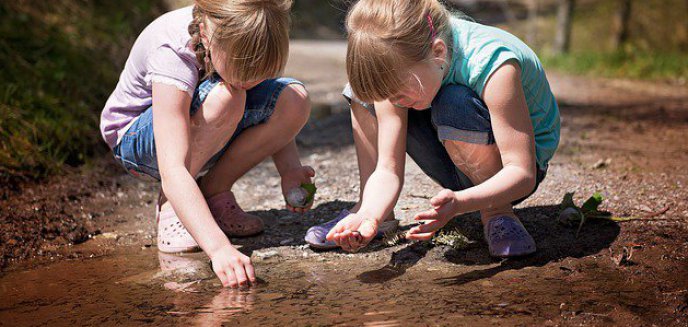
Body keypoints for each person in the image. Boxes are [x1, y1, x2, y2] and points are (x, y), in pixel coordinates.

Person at [306, 0, 560, 257]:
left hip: (509, 175)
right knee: (364, 91)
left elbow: (522, 173)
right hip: (456, 161)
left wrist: (461, 204)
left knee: (454, 101)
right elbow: (387, 169)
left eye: (400, 93)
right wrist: (369, 214)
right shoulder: (407, 67)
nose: (394, 103)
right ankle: (374, 211)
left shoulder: (493, 64)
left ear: (438, 51)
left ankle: (497, 212)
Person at [100, 0, 314, 288]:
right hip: (138, 142)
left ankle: (214, 192)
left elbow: (266, 98)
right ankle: (173, 207)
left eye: (261, 73)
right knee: (229, 97)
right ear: (205, 33)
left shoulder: (247, 37)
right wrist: (219, 249)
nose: (254, 81)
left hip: (204, 124)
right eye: (246, 72)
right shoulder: (173, 51)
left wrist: (289, 169)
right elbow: (173, 167)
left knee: (292, 100)